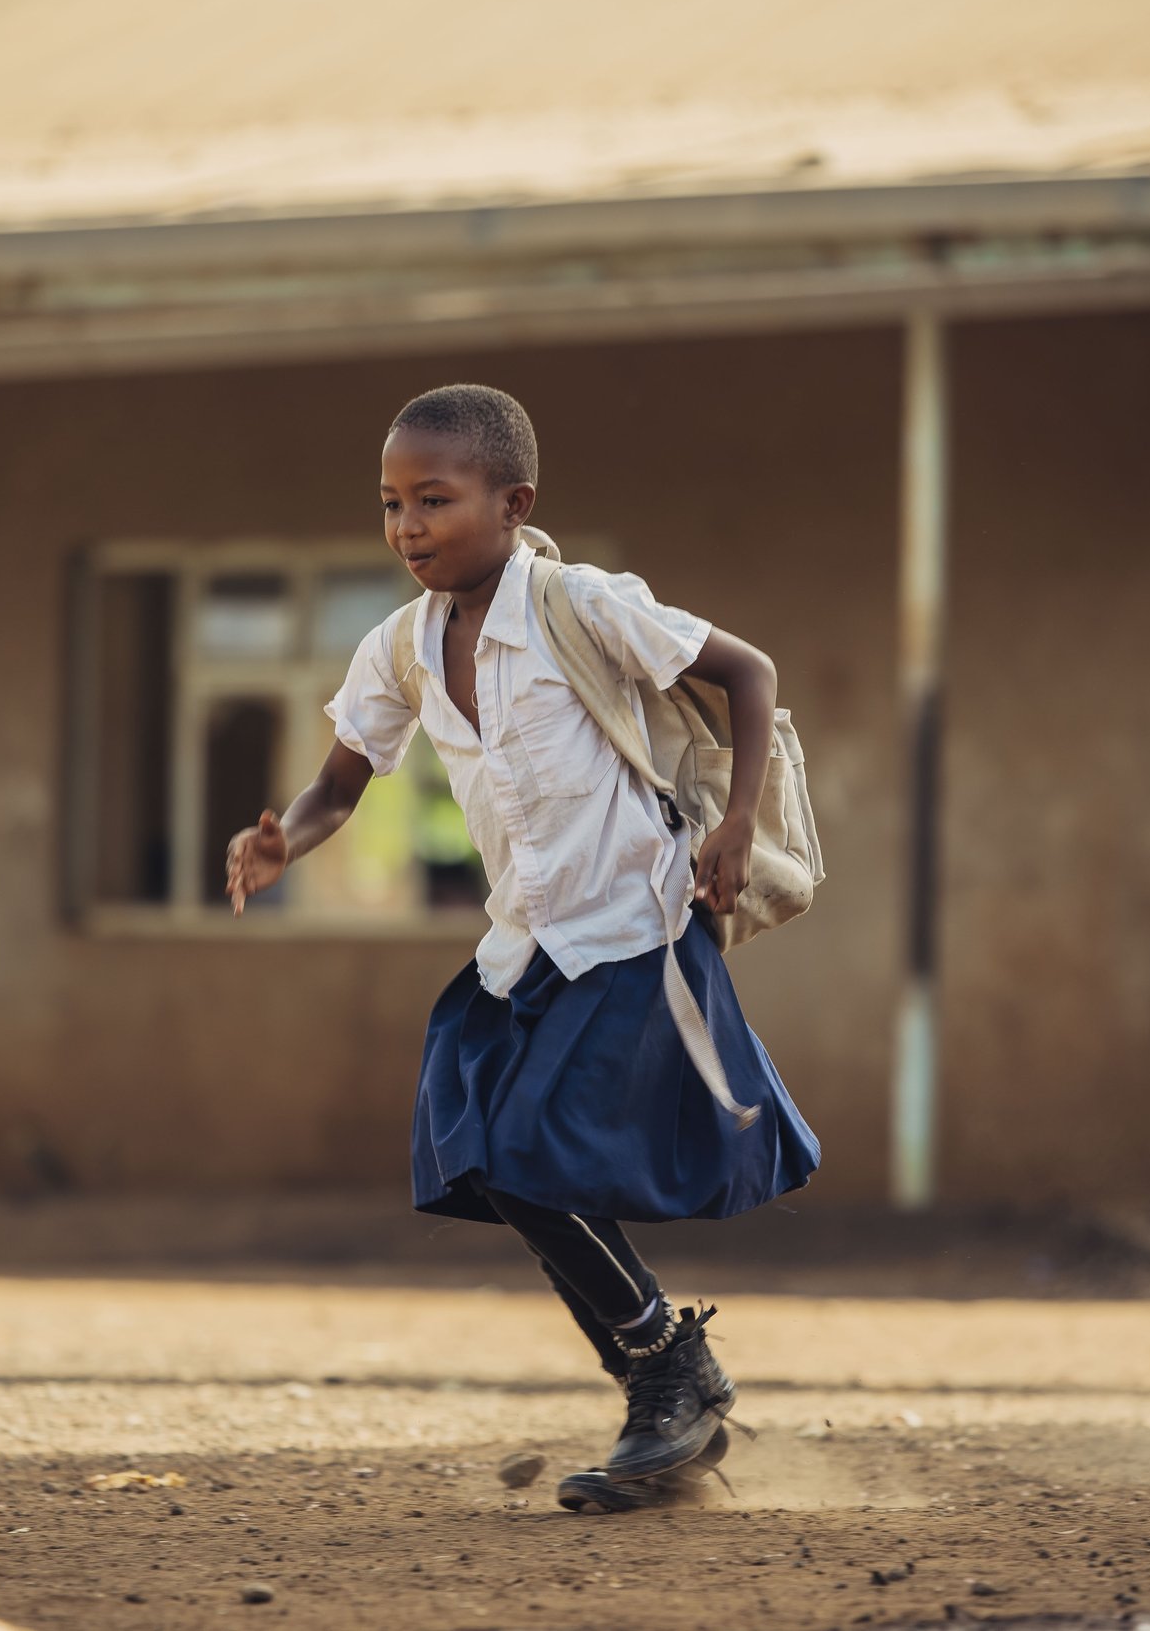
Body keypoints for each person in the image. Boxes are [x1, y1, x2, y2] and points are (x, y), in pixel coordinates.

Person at [223, 383, 820, 1512]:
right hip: (527, 947)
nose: (407, 526)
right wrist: (283, 841)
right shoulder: (399, 645)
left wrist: (735, 825)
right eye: (391, 503)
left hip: (632, 932)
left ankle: (665, 1378)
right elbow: (338, 782)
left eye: (434, 500)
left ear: (514, 503)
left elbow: (748, 672)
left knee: (530, 1150)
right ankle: (665, 1385)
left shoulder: (578, 605)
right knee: (480, 1153)